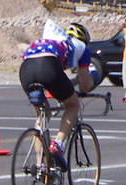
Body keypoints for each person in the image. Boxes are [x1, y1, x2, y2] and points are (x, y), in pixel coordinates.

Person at [19, 19, 100, 172]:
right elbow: (85, 86)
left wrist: (73, 83)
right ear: (85, 40)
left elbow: (61, 80)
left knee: (42, 116)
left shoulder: (54, 40)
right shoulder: (83, 48)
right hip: (48, 66)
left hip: (26, 69)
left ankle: (40, 166)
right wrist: (94, 78)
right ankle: (58, 145)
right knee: (73, 105)